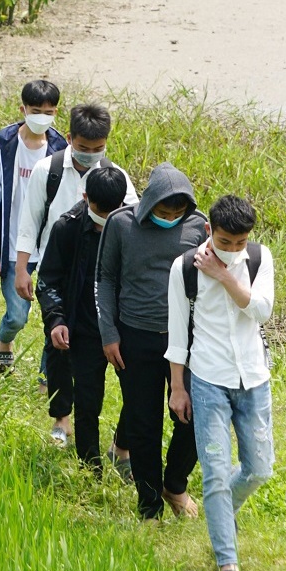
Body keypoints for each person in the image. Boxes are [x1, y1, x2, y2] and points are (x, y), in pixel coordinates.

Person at [11, 102, 137, 451]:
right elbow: (30, 221)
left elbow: (133, 228)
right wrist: (22, 268)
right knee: (59, 351)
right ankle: (61, 419)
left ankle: (110, 441)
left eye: (99, 149)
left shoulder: (118, 178)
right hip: (61, 269)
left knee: (90, 354)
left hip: (104, 275)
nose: (92, 156)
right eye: (84, 148)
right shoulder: (47, 171)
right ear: (69, 139)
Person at [166, 194, 274, 571]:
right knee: (213, 474)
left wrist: (226, 275)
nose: (231, 251)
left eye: (239, 243)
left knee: (260, 469)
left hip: (254, 380)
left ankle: (219, 513)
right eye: (224, 242)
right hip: (208, 380)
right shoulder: (183, 268)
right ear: (209, 231)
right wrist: (178, 387)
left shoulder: (260, 259)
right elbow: (177, 334)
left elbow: (261, 310)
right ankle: (228, 563)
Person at [99, 162, 207, 521]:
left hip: (186, 341)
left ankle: (174, 485)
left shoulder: (198, 226)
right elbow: (106, 279)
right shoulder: (121, 224)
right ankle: (148, 503)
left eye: (178, 212)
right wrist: (109, 334)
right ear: (148, 204)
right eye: (163, 211)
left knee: (193, 417)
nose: (171, 217)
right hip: (135, 336)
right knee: (144, 423)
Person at [38, 163, 131, 474]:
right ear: (85, 196)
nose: (104, 218)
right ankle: (90, 467)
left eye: (112, 211)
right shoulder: (67, 228)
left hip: (125, 329)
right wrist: (57, 320)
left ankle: (122, 449)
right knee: (88, 400)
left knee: (138, 395)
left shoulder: (133, 228)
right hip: (85, 330)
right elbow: (47, 279)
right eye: (98, 210)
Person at [0, 80, 67, 373]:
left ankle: (46, 379)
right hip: (15, 248)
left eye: (49, 112)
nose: (42, 117)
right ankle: (4, 343)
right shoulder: (1, 147)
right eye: (36, 111)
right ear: (22, 109)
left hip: (50, 247)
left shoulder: (61, 149)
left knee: (55, 316)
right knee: (17, 316)